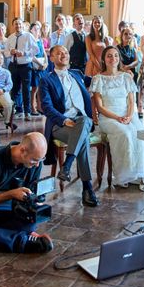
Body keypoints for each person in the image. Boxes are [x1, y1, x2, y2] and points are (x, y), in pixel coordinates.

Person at [39, 45, 99, 207]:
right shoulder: (46, 79)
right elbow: (46, 107)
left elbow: (98, 80)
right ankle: (87, 188)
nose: (63, 55)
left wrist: (120, 74)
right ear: (51, 58)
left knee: (85, 122)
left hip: (81, 122)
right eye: (58, 53)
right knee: (83, 136)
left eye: (65, 52)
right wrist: (64, 120)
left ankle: (67, 165)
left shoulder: (77, 74)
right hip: (60, 125)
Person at [90, 46, 144, 189]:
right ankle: (123, 175)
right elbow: (100, 107)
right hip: (108, 117)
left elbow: (131, 101)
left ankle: (138, 172)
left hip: (127, 114)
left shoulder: (126, 76)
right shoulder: (98, 79)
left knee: (140, 133)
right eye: (109, 56)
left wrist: (128, 116)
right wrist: (117, 118)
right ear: (104, 59)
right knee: (125, 133)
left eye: (115, 55)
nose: (113, 58)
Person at [5, 18, 39, 121]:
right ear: (12, 26)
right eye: (16, 24)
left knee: (25, 89)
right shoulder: (10, 38)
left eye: (19, 24)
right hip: (13, 65)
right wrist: (10, 52)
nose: (18, 26)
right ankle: (13, 111)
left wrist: (24, 53)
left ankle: (27, 112)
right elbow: (5, 52)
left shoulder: (28, 36)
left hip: (25, 65)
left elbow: (36, 50)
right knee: (14, 89)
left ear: (22, 25)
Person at [29, 21, 48, 115]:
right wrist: (39, 63)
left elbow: (44, 52)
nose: (37, 31)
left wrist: (46, 62)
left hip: (42, 65)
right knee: (34, 88)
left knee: (41, 88)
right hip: (35, 66)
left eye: (38, 29)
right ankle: (33, 107)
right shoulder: (30, 41)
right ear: (31, 30)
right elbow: (31, 55)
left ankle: (40, 107)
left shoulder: (40, 40)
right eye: (35, 29)